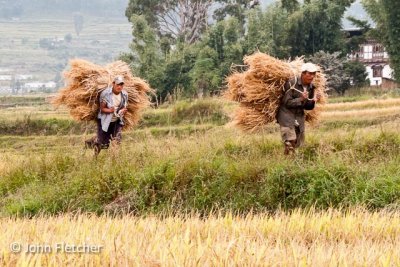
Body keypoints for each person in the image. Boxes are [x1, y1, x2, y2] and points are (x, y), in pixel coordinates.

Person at [276, 63, 320, 155]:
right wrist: (301, 99)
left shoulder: (311, 87)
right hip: (286, 116)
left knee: (297, 143)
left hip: (299, 116)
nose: (312, 76)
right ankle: (289, 162)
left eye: (314, 74)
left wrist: (313, 101)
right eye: (309, 73)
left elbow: (308, 107)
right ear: (303, 73)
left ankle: (287, 161)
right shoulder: (292, 83)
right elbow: (286, 102)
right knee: (290, 141)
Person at [90, 75, 129, 156]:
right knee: (102, 142)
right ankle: (95, 156)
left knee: (117, 140)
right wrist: (110, 110)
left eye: (121, 85)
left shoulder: (124, 94)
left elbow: (123, 107)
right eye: (117, 84)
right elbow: (102, 108)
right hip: (105, 121)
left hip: (117, 120)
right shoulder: (106, 94)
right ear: (113, 84)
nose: (119, 86)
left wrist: (123, 111)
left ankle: (115, 159)